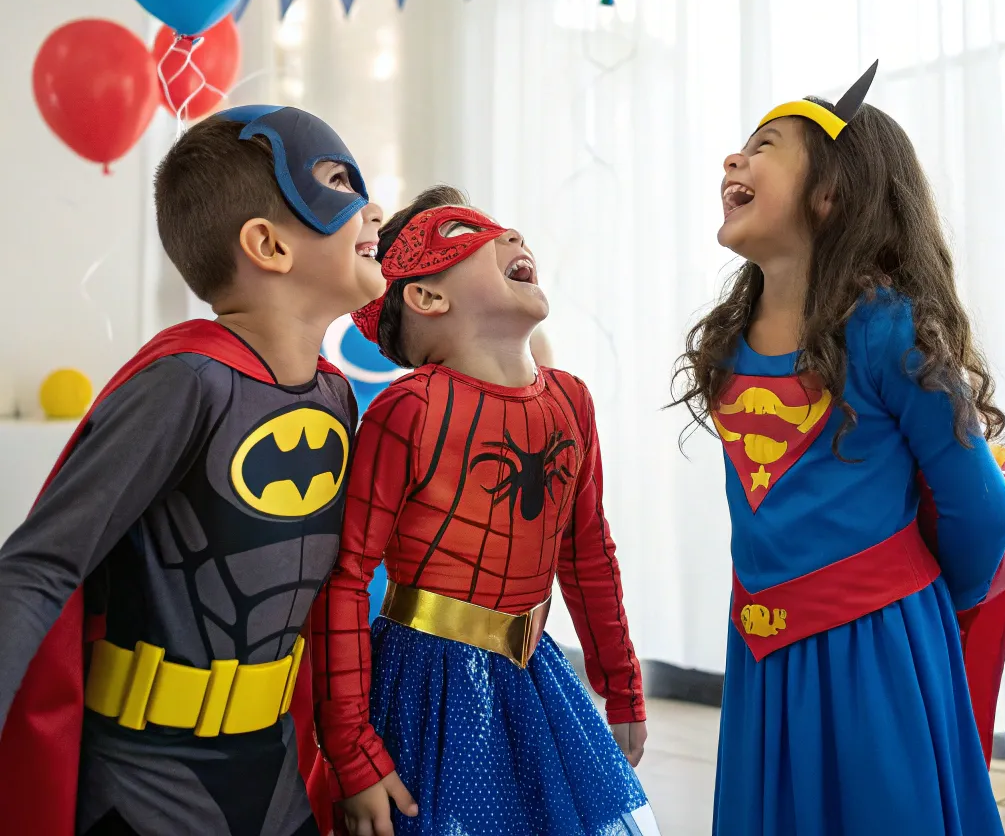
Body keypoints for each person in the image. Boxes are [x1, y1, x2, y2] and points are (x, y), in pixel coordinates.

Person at [0, 107, 384, 836]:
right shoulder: (187, 383)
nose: (374, 207)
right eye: (338, 181)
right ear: (267, 244)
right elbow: (40, 566)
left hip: (273, 773)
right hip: (147, 784)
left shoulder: (336, 397)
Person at [672, 63, 1005, 835]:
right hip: (762, 651)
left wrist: (919, 617)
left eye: (762, 146)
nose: (733, 160)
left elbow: (980, 509)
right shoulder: (727, 345)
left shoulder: (888, 330)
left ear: (831, 194)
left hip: (880, 648)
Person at [309, 185, 659, 836]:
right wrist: (351, 746)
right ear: (427, 296)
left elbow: (587, 553)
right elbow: (346, 577)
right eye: (464, 233)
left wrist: (622, 682)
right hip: (425, 687)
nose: (512, 236)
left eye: (507, 229)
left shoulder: (572, 402)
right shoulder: (406, 411)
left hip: (536, 676)